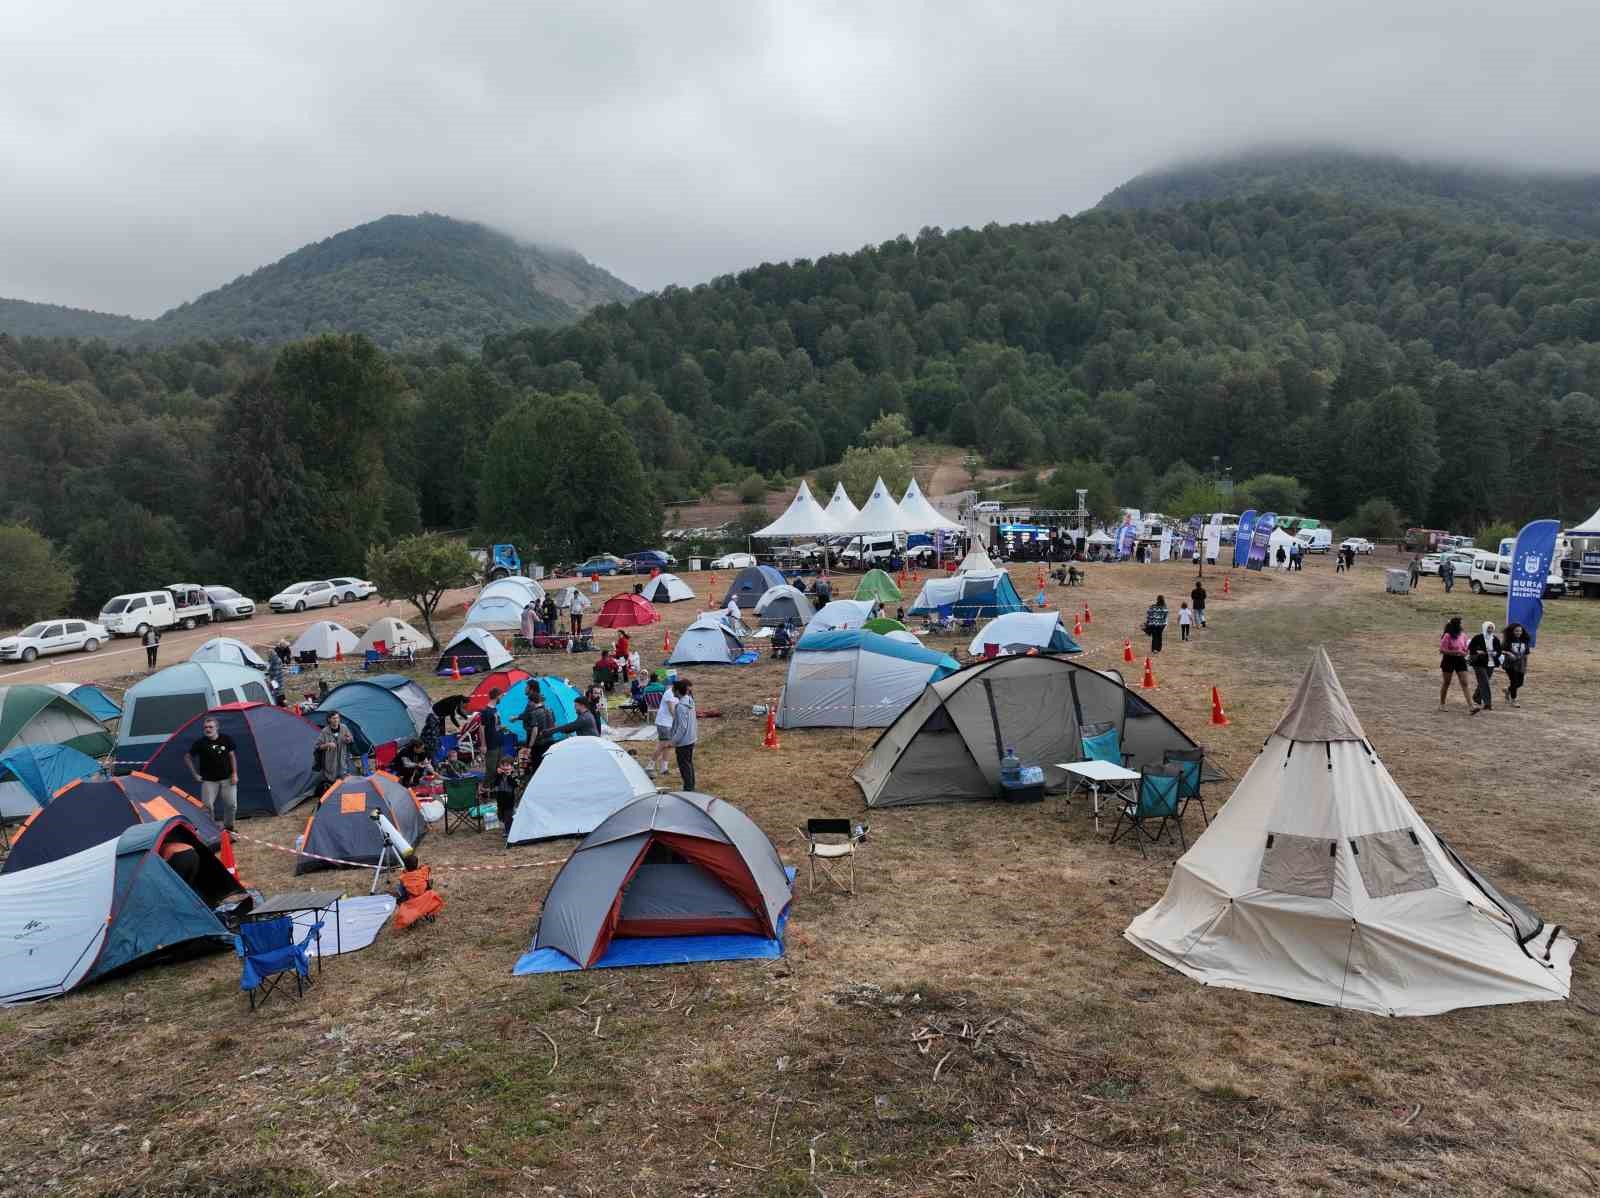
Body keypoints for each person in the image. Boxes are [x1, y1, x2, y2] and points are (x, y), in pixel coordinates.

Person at [186, 717, 239, 831]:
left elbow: (232, 756)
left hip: (227, 778)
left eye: (211, 727)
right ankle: (211, 830)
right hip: (209, 780)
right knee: (207, 806)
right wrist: (195, 774)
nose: (208, 729)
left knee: (231, 805)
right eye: (205, 727)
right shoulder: (200, 743)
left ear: (217, 728)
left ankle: (229, 827)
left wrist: (234, 773)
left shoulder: (226, 739)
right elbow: (187, 757)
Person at [1438, 617, 1474, 711]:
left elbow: (1466, 648)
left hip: (1460, 660)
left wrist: (1466, 653)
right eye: (1461, 623)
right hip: (1448, 660)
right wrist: (1456, 652)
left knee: (1465, 682)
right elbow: (1442, 650)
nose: (1463, 625)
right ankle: (1442, 704)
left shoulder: (1463, 635)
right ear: (1457, 625)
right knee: (1447, 682)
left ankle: (1471, 706)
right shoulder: (1447, 635)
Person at [668, 679, 698, 790]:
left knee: (684, 766)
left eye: (673, 690)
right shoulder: (690, 700)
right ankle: (691, 786)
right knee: (688, 764)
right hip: (691, 738)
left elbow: (682, 727)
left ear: (677, 691)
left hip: (684, 742)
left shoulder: (681, 706)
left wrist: (673, 741)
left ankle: (688, 789)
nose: (672, 691)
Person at [1467, 621, 1502, 714]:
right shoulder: (1477, 638)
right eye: (1488, 628)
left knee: (1483, 682)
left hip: (1491, 664)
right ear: (1485, 628)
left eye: (1492, 628)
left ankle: (1476, 697)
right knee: (1485, 682)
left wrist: (1495, 653)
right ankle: (1487, 703)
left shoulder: (1495, 639)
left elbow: (1499, 651)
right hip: (1479, 663)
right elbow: (1471, 648)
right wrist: (1478, 651)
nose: (1490, 630)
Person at [316, 712, 355, 786]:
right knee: (332, 779)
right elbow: (318, 746)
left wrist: (348, 739)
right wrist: (328, 744)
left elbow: (351, 739)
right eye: (334, 718)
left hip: (342, 758)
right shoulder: (325, 731)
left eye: (337, 718)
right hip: (330, 760)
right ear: (329, 719)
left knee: (343, 778)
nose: (336, 720)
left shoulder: (344, 727)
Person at [651, 674, 680, 777]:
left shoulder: (677, 694)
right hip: (664, 723)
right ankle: (650, 765)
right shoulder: (669, 693)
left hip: (670, 723)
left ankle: (664, 768)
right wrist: (679, 721)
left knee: (668, 746)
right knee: (662, 745)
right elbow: (671, 709)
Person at [1501, 622, 1531, 707]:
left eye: (1520, 631)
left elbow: (1526, 654)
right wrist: (1509, 653)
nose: (1519, 633)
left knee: (1520, 683)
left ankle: (1508, 689)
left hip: (1520, 664)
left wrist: (1525, 666)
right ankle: (1513, 700)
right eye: (1516, 631)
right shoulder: (1508, 641)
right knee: (1514, 681)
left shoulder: (1524, 641)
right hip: (1509, 665)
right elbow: (1500, 650)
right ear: (1512, 632)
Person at [490, 757, 521, 833]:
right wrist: (498, 775)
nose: (505, 767)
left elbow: (515, 785)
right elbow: (494, 784)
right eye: (503, 765)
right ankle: (506, 826)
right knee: (500, 815)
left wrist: (509, 776)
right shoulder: (499, 775)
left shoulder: (514, 774)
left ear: (512, 766)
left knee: (508, 816)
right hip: (500, 797)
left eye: (507, 765)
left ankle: (508, 830)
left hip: (509, 798)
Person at [480, 689, 503, 780]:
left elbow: (495, 725)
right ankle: (485, 789)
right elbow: (482, 728)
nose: (502, 698)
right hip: (491, 744)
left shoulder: (495, 709)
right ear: (497, 696)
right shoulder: (486, 711)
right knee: (491, 770)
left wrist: (502, 728)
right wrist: (483, 745)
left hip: (499, 741)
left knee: (498, 768)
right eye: (501, 696)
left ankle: (495, 789)